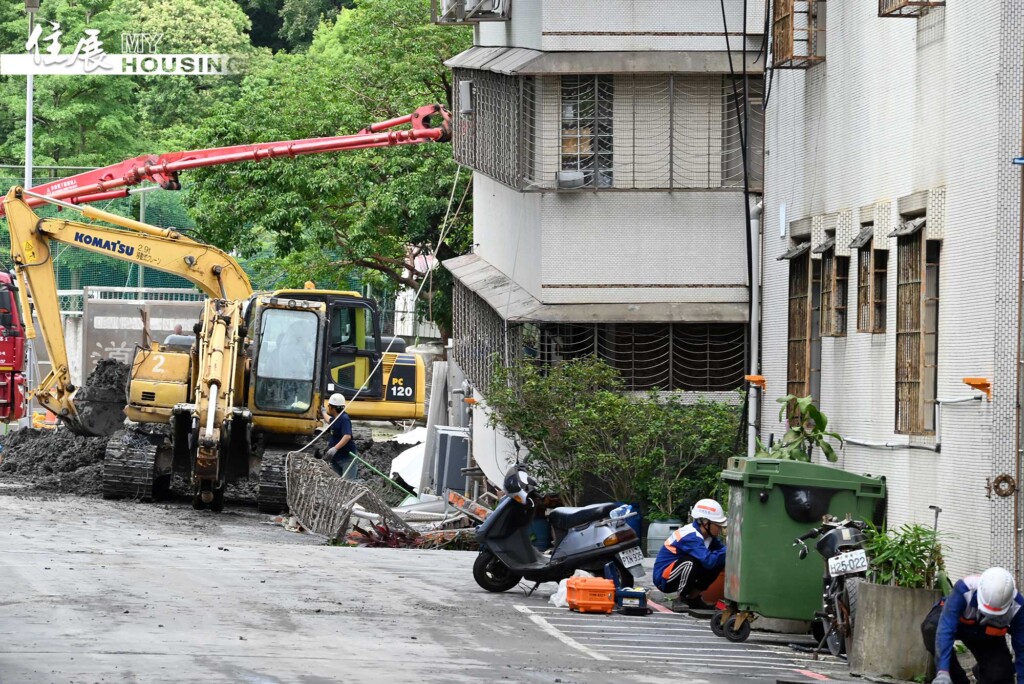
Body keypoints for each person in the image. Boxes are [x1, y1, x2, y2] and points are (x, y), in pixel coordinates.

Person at [922, 567, 1024, 684]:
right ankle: (956, 679)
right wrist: (943, 672)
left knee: (1000, 677)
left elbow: (1022, 649)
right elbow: (946, 628)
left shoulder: (1018, 607)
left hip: (985, 635)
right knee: (932, 630)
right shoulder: (964, 589)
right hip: (957, 622)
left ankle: (983, 671)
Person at [652, 498, 727, 611]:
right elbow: (708, 561)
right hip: (664, 578)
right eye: (718, 524)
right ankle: (681, 598)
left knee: (718, 562)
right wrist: (728, 550)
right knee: (690, 563)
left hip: (678, 572)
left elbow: (719, 557)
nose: (721, 528)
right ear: (705, 522)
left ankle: (693, 597)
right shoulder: (690, 535)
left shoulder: (709, 537)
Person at [323, 393, 358, 480]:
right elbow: (329, 420)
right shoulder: (336, 417)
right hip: (336, 458)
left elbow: (347, 436)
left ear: (332, 408)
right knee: (337, 483)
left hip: (346, 458)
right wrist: (323, 412)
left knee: (347, 483)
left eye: (329, 406)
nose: (328, 408)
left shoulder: (344, 419)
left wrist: (335, 448)